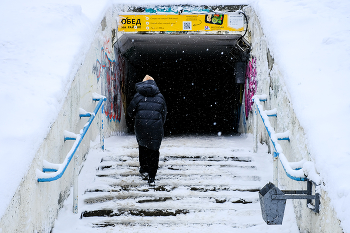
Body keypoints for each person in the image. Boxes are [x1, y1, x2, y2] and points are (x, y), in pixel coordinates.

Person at [127, 75, 167, 185]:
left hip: (141, 126)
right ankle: (152, 177)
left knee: (143, 146)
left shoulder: (138, 96)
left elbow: (130, 111)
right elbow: (164, 114)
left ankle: (143, 168)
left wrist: (137, 118)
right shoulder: (160, 97)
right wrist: (158, 124)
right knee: (154, 150)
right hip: (156, 127)